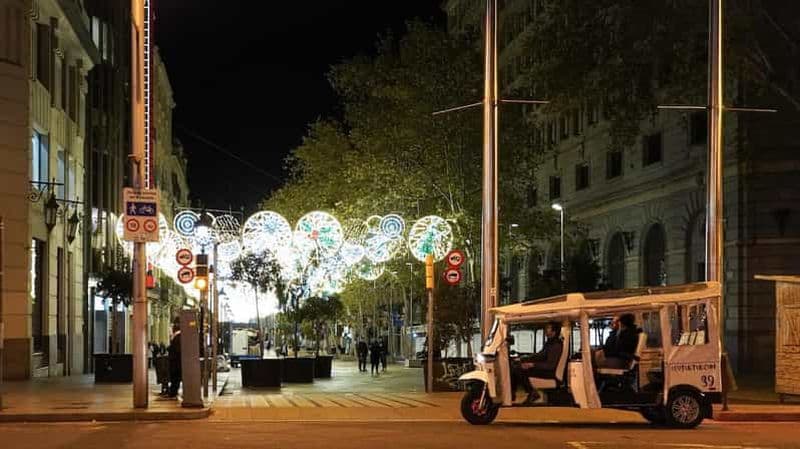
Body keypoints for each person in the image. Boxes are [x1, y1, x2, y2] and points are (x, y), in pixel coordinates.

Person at [512, 321, 563, 404]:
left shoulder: (556, 345)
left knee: (518, 369)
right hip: (545, 369)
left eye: (548, 328)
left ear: (554, 331)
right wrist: (523, 358)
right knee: (517, 366)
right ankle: (514, 394)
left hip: (550, 373)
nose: (545, 330)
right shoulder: (549, 343)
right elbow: (539, 355)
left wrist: (532, 365)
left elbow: (550, 365)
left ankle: (532, 392)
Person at [166, 319, 182, 398]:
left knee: (175, 378)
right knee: (175, 378)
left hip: (176, 363)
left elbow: (176, 350)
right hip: (176, 362)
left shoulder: (177, 337)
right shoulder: (177, 336)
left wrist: (169, 348)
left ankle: (173, 392)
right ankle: (173, 391)